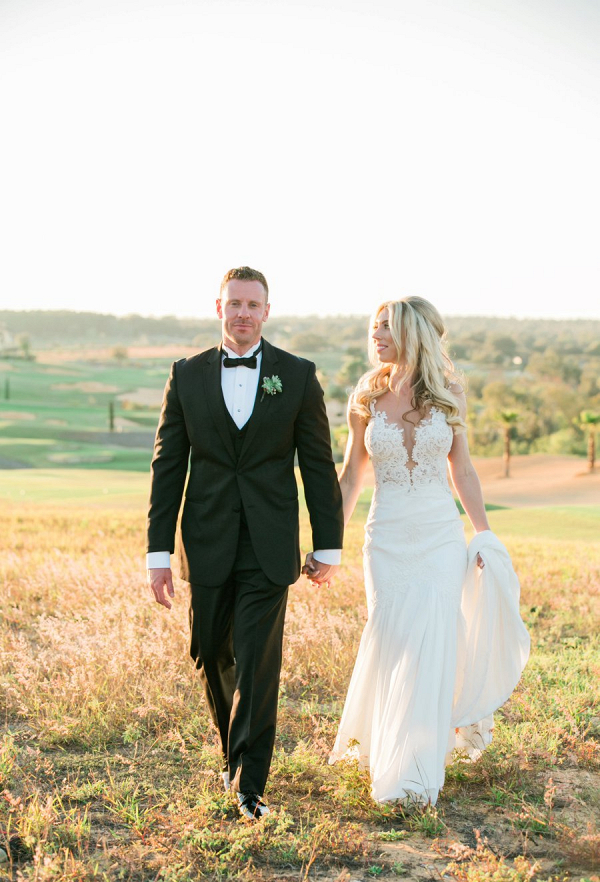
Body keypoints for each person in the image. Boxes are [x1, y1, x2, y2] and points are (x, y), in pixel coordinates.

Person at [147, 267, 344, 819]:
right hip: (205, 539)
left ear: (266, 311)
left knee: (258, 661)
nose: (243, 313)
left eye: (253, 304)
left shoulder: (298, 376)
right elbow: (167, 466)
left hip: (269, 542)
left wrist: (328, 543)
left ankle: (249, 785)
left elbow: (317, 463)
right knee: (210, 652)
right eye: (234, 303)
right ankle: (234, 752)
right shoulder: (185, 375)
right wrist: (157, 553)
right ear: (219, 308)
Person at [330, 296, 529, 806]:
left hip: (441, 535)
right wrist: (330, 542)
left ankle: (418, 765)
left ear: (411, 334)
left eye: (385, 329)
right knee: (395, 638)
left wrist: (483, 536)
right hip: (387, 537)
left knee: (434, 639)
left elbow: (462, 471)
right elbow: (352, 474)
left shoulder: (450, 395)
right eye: (373, 328)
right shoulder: (367, 395)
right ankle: (389, 750)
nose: (375, 338)